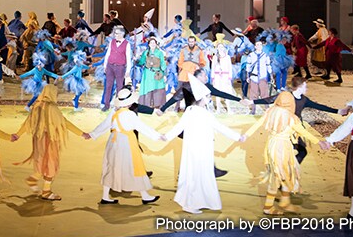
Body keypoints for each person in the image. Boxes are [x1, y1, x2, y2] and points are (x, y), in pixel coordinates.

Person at [162, 75, 245, 214]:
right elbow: (220, 127)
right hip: (201, 149)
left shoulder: (189, 111)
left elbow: (178, 128)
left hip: (193, 149)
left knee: (194, 174)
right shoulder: (204, 114)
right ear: (201, 99)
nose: (209, 98)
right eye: (207, 96)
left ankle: (197, 201)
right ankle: (192, 203)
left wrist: (166, 136)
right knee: (200, 175)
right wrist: (238, 137)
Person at [242, 86, 322, 214]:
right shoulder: (291, 118)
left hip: (272, 145)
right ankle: (268, 207)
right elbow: (303, 132)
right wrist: (319, 142)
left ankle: (285, 201)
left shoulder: (271, 112)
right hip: (282, 148)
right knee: (278, 176)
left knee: (286, 173)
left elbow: (258, 124)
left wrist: (246, 135)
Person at [85, 87, 162, 205]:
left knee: (111, 167)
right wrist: (158, 136)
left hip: (113, 141)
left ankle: (105, 196)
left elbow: (105, 125)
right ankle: (145, 196)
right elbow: (142, 127)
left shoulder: (114, 112)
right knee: (135, 167)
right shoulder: (130, 114)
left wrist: (92, 134)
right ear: (129, 102)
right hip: (125, 143)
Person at [248, 76, 341, 164]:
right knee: (290, 151)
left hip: (296, 129)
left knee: (302, 152)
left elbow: (319, 106)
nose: (306, 89)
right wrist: (252, 101)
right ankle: (283, 168)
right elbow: (269, 99)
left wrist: (338, 111)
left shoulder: (304, 99)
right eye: (305, 86)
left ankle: (289, 167)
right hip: (285, 128)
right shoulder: (286, 96)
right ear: (299, 87)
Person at [14, 86, 84, 200]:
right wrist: (81, 133)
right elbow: (64, 122)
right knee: (51, 163)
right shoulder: (52, 108)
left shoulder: (36, 106)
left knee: (41, 161)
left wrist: (17, 134)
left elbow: (28, 122)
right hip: (50, 139)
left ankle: (33, 179)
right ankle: (46, 191)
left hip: (38, 139)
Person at [100, 26, 132, 111]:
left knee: (119, 87)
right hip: (110, 66)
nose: (115, 35)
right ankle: (106, 105)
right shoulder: (112, 42)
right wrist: (105, 65)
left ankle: (118, 106)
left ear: (122, 34)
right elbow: (108, 53)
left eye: (117, 33)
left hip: (120, 67)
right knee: (108, 86)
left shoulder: (127, 44)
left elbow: (128, 58)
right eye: (115, 33)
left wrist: (128, 70)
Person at [137, 36, 166, 109]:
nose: (153, 44)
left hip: (157, 73)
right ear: (149, 44)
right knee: (147, 88)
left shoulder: (160, 53)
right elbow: (141, 61)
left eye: (154, 43)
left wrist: (163, 72)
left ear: (156, 44)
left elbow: (163, 63)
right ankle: (147, 104)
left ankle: (157, 105)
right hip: (148, 73)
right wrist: (137, 61)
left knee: (157, 88)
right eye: (151, 43)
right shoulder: (146, 52)